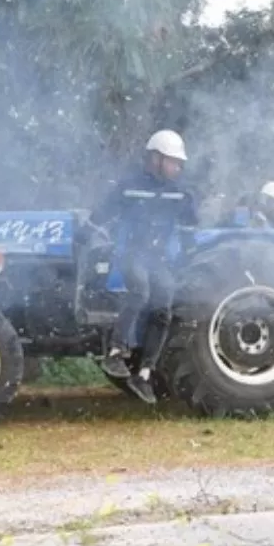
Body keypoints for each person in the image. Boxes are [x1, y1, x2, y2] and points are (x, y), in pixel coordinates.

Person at [89, 129, 199, 403]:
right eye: (173, 161)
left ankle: (145, 373)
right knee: (140, 292)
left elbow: (189, 228)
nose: (178, 167)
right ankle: (115, 353)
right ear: (155, 159)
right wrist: (87, 230)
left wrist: (189, 255)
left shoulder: (181, 193)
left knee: (164, 305)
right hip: (129, 254)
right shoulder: (129, 186)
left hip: (158, 259)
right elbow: (102, 214)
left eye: (179, 162)